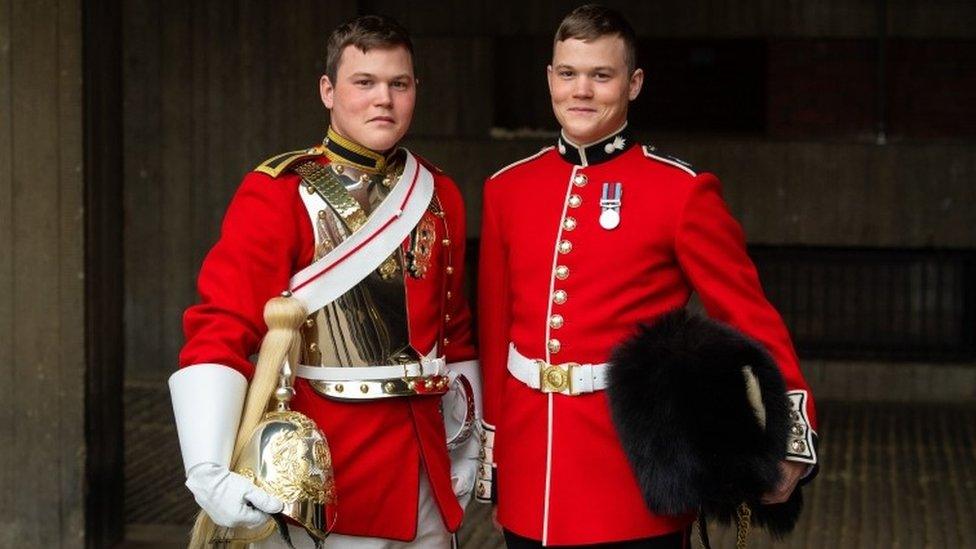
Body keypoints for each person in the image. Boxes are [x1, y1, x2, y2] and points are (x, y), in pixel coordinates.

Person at [475, 5, 819, 548]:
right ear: (550, 79)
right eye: (568, 73)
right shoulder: (508, 188)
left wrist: (789, 438)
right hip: (530, 474)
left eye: (601, 75)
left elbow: (749, 317)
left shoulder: (680, 192)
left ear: (633, 84)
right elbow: (497, 336)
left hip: (634, 474)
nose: (581, 90)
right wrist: (494, 464)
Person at [168, 14, 481, 549]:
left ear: (414, 92)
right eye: (365, 83)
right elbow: (223, 323)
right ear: (328, 90)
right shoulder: (277, 192)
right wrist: (206, 466)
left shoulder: (439, 193)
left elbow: (454, 334)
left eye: (398, 84)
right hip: (324, 471)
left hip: (428, 465)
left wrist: (466, 445)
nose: (383, 99)